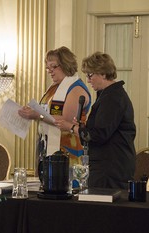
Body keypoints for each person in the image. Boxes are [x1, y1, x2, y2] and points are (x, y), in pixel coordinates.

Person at [55, 52, 136, 189]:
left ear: (103, 73)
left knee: (103, 208)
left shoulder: (112, 98)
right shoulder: (108, 95)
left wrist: (71, 127)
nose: (88, 80)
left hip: (110, 167)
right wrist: (82, 127)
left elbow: (99, 135)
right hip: (108, 165)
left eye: (90, 75)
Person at [18, 46, 91, 170]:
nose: (49, 71)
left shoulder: (76, 88)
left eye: (53, 66)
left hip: (67, 149)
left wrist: (36, 115)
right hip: (47, 146)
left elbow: (65, 120)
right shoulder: (54, 87)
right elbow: (46, 111)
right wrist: (30, 113)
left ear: (66, 64)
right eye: (47, 68)